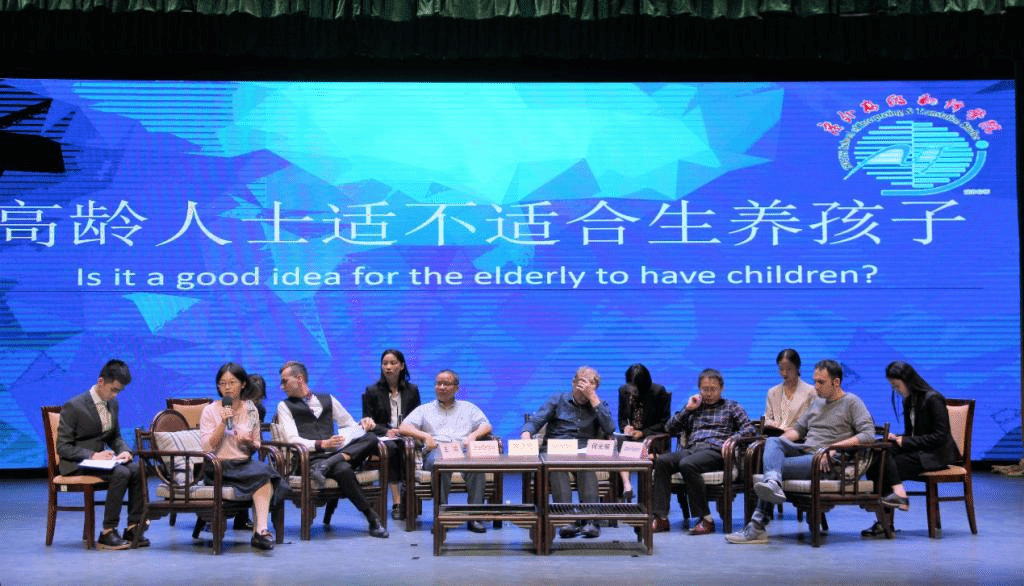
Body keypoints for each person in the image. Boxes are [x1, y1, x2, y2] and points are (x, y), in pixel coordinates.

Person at [726, 359, 875, 544]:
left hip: (825, 461)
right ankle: (772, 482)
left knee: (772, 468)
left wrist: (833, 448)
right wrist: (773, 449)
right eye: (815, 381)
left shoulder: (852, 402)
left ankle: (757, 526)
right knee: (772, 441)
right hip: (806, 451)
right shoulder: (817, 403)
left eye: (821, 382)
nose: (816, 386)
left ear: (836, 382)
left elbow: (868, 434)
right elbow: (798, 430)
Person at [276, 360, 389, 539]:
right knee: (343, 469)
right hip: (309, 459)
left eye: (284, 381)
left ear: (299, 378)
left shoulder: (327, 399)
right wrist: (321, 444)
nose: (282, 386)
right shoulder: (284, 406)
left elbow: (349, 425)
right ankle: (372, 518)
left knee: (371, 437)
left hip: (333, 454)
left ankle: (327, 464)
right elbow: (292, 440)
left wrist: (363, 424)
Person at [56, 359, 148, 550]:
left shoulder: (112, 404)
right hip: (77, 463)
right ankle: (107, 532)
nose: (115, 395)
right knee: (121, 473)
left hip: (101, 463)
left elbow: (115, 436)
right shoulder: (74, 406)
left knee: (138, 469)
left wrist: (124, 451)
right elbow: (63, 447)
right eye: (113, 390)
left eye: (119, 391)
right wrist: (92, 455)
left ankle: (133, 527)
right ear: (101, 381)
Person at [651, 368, 756, 535]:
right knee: (662, 461)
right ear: (699, 389)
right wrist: (688, 409)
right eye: (705, 389)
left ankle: (706, 519)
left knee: (687, 464)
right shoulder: (695, 407)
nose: (709, 393)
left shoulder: (732, 407)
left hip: (716, 451)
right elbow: (669, 428)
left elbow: (750, 429)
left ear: (721, 388)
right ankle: (661, 518)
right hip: (693, 449)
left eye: (713, 389)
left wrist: (733, 439)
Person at [861, 360, 957, 537]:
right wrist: (897, 438)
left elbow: (940, 436)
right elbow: (912, 433)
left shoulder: (933, 399)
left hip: (935, 455)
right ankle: (887, 513)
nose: (896, 390)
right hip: (919, 450)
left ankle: (888, 516)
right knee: (879, 453)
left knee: (884, 467)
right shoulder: (909, 401)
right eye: (893, 386)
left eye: (897, 385)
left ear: (908, 380)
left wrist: (905, 441)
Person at [521, 365, 615, 539]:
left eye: (590, 384)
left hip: (583, 451)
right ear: (573, 383)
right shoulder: (557, 400)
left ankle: (591, 521)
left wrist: (593, 397)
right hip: (557, 449)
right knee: (557, 468)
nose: (584, 386)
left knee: (586, 468)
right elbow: (535, 421)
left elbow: (610, 428)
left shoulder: (598, 404)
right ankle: (566, 519)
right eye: (581, 381)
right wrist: (526, 434)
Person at [200, 362, 287, 550]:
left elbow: (257, 444)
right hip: (218, 467)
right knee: (265, 474)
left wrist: (248, 442)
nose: (227, 387)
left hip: (243, 465)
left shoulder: (251, 409)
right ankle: (261, 531)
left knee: (264, 473)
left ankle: (260, 531)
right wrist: (223, 424)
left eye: (232, 382)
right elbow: (207, 448)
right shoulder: (210, 410)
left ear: (243, 384)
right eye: (222, 383)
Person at [399, 368, 492, 534]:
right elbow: (404, 427)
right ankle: (442, 516)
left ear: (456, 388)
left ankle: (475, 516)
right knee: (441, 465)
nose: (441, 387)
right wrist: (424, 435)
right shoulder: (424, 409)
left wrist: (473, 435)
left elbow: (486, 425)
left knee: (477, 467)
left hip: (462, 451)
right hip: (437, 451)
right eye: (438, 384)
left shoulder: (468, 407)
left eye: (446, 384)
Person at [360, 349, 422, 521]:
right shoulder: (372, 391)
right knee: (393, 449)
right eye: (385, 363)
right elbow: (367, 422)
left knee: (409, 448)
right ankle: (397, 500)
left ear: (401, 366)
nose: (388, 367)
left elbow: (418, 417)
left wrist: (405, 430)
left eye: (393, 363)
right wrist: (387, 431)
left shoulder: (412, 390)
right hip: (382, 438)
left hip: (406, 435)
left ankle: (410, 495)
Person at [616, 363, 671, 503]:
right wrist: (625, 428)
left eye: (636, 387)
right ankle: (626, 487)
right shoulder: (623, 390)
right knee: (616, 444)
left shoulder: (658, 392)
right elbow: (622, 418)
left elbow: (665, 423)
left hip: (651, 438)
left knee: (637, 449)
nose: (632, 390)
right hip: (631, 437)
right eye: (631, 386)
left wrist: (643, 433)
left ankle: (643, 499)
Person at [234, 372, 268, 531]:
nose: (256, 401)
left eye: (258, 398)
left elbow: (253, 433)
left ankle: (245, 519)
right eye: (253, 397)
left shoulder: (258, 409)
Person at [763, 349, 816, 433]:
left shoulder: (811, 392)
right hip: (776, 435)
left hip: (799, 437)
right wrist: (772, 424)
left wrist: (796, 429)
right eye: (781, 369)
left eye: (788, 369)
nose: (784, 373)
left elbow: (813, 422)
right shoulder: (772, 392)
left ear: (797, 368)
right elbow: (767, 418)